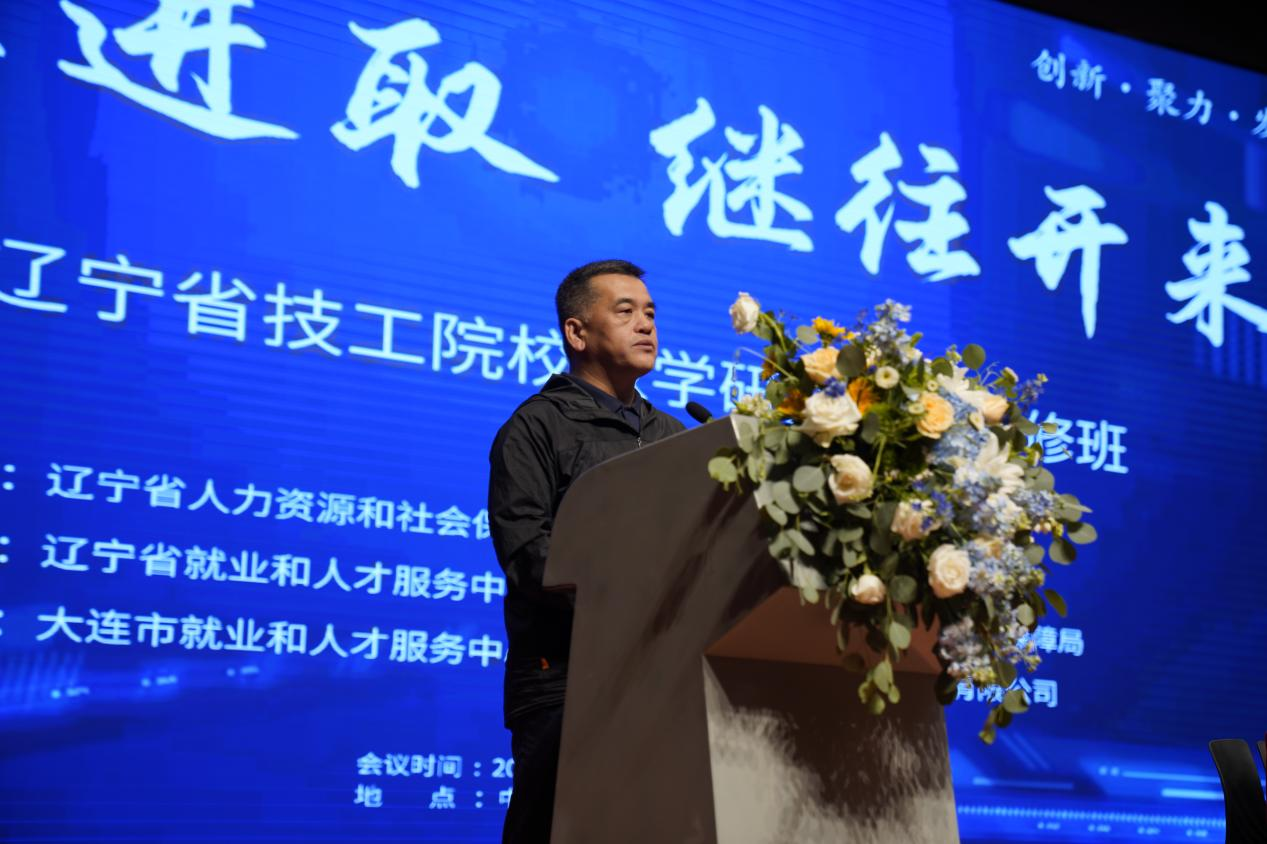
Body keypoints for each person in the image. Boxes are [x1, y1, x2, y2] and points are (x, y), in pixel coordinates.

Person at [487, 259, 686, 843]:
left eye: (650, 313)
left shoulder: (677, 438)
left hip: (665, 682)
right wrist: (628, 602)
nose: (646, 325)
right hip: (566, 682)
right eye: (625, 312)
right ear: (577, 333)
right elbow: (529, 556)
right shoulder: (536, 428)